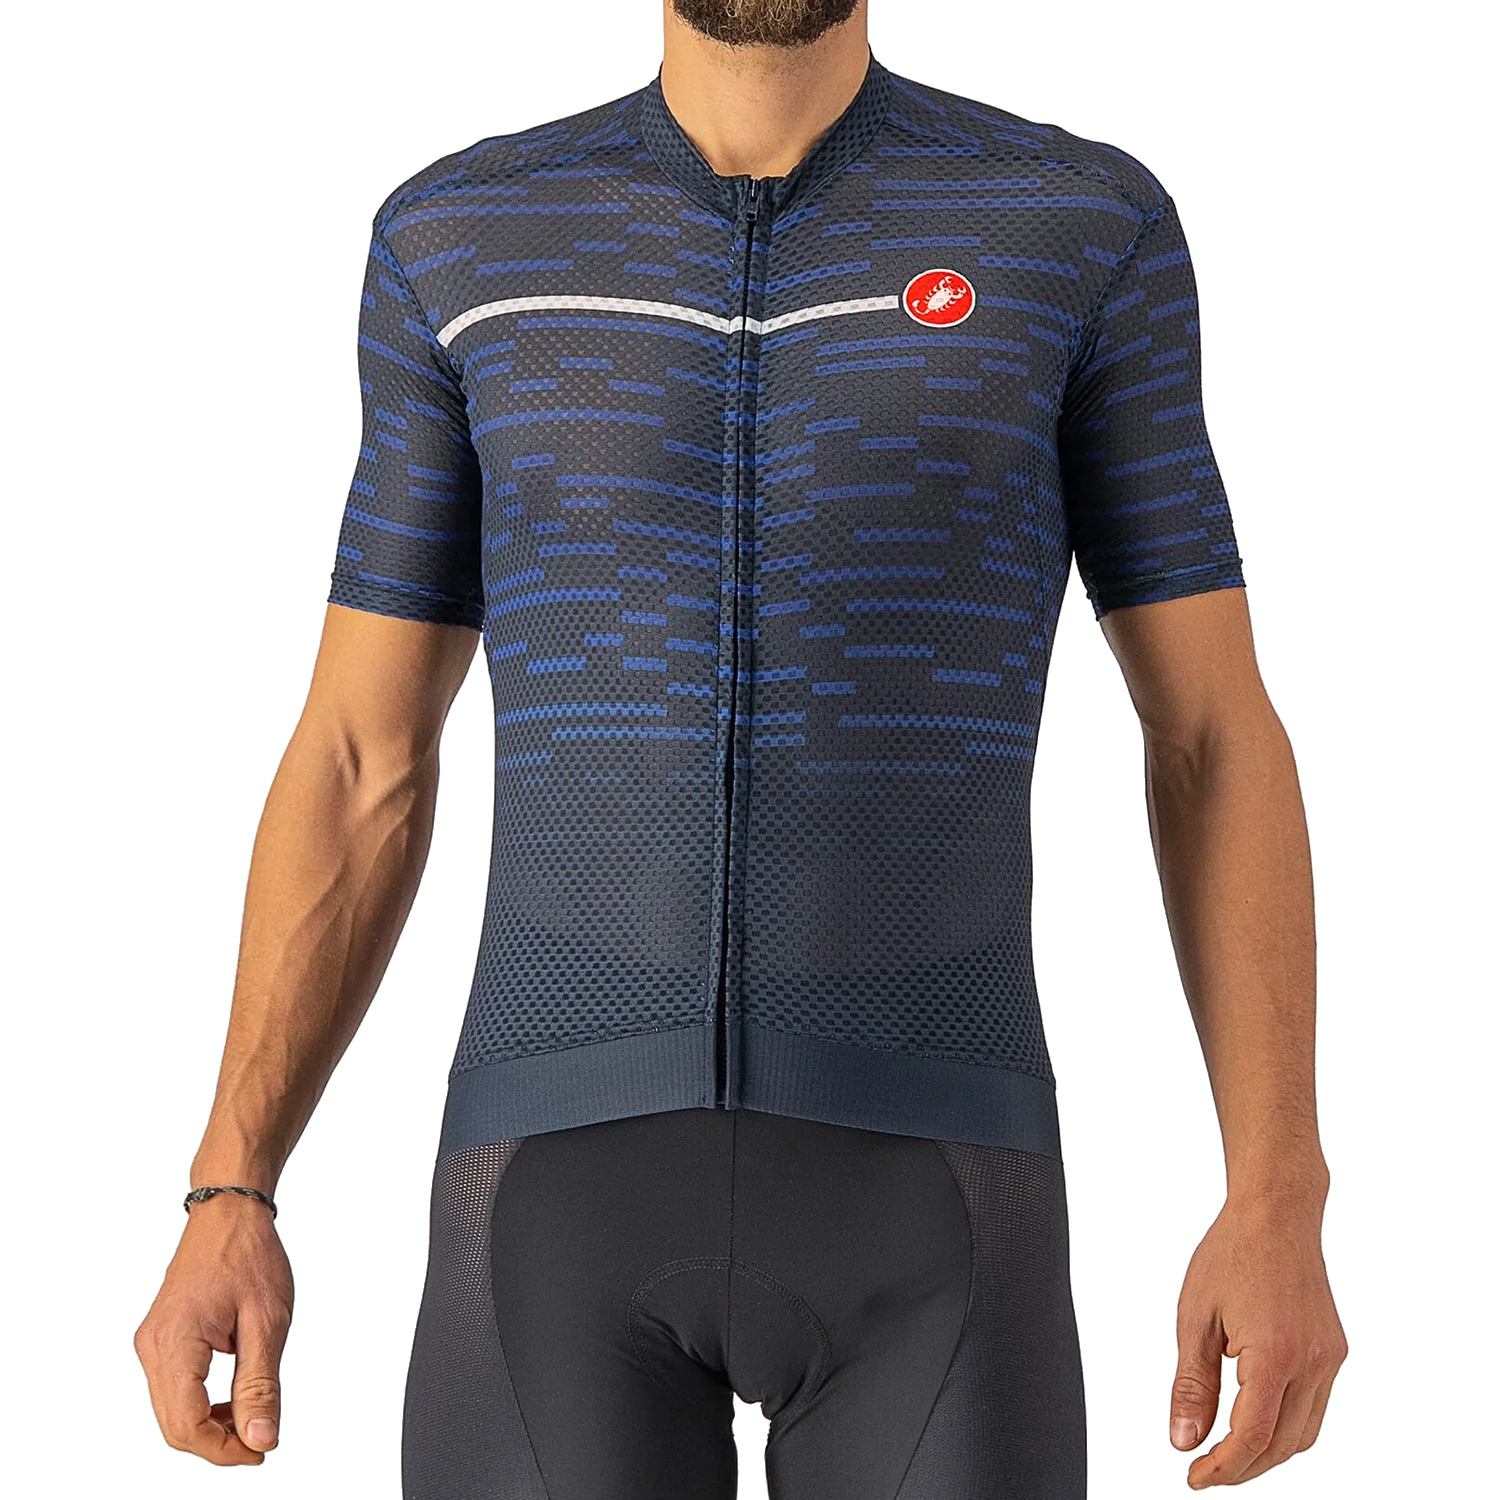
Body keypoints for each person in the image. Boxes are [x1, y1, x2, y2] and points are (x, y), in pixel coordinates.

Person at [134, 1, 1347, 1494]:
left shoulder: (1073, 230)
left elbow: (1213, 734)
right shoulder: (463, 240)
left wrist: (1278, 1193)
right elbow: (357, 760)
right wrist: (231, 1184)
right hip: (548, 1190)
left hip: (942, 1192)